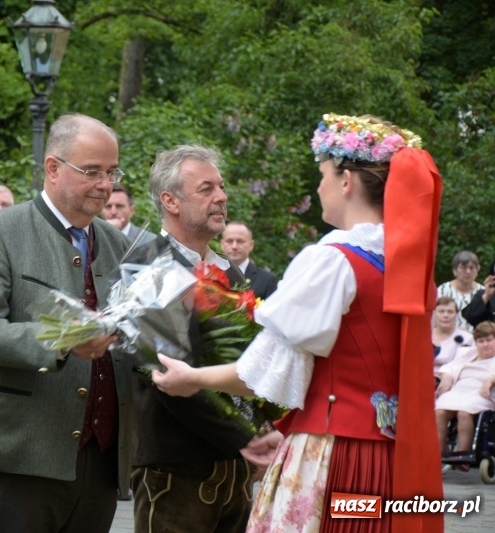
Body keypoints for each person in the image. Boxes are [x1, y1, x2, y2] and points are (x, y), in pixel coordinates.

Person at [152, 113, 444, 532]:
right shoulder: (403, 265)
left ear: (346, 181)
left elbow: (261, 374)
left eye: (323, 174)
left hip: (335, 454)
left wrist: (193, 377)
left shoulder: (332, 259)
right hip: (387, 457)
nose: (320, 185)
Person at [0, 113, 132, 532]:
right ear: (53, 168)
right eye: (92, 171)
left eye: (111, 172)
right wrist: (62, 340)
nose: (105, 184)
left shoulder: (119, 243)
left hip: (102, 457)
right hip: (24, 454)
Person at [125, 145, 254, 533]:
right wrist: (246, 439)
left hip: (236, 469)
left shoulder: (228, 271)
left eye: (222, 187)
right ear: (170, 201)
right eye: (206, 189)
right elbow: (167, 377)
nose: (221, 197)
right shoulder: (148, 266)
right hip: (175, 469)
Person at [435, 321, 495, 471]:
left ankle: (463, 455)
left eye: (489, 340)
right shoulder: (467, 353)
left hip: (481, 393)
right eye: (481, 341)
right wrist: (447, 376)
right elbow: (450, 367)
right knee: (440, 411)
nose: (485, 345)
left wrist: (490, 380)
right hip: (459, 390)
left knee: (464, 412)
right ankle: (439, 452)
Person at [220, 221, 278, 299]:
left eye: (240, 241)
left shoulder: (267, 280)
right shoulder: (210, 276)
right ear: (222, 244)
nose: (234, 246)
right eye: (229, 241)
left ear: (251, 245)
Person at [437, 250, 484, 331]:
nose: (468, 271)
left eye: (472, 268)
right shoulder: (443, 290)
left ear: (477, 270)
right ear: (454, 270)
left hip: (478, 340)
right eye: (463, 267)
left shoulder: (484, 292)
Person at [432, 296, 473, 377]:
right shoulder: (424, 336)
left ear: (456, 315)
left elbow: (468, 367)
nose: (446, 315)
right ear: (434, 313)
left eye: (450, 312)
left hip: (453, 380)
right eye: (441, 311)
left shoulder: (467, 338)